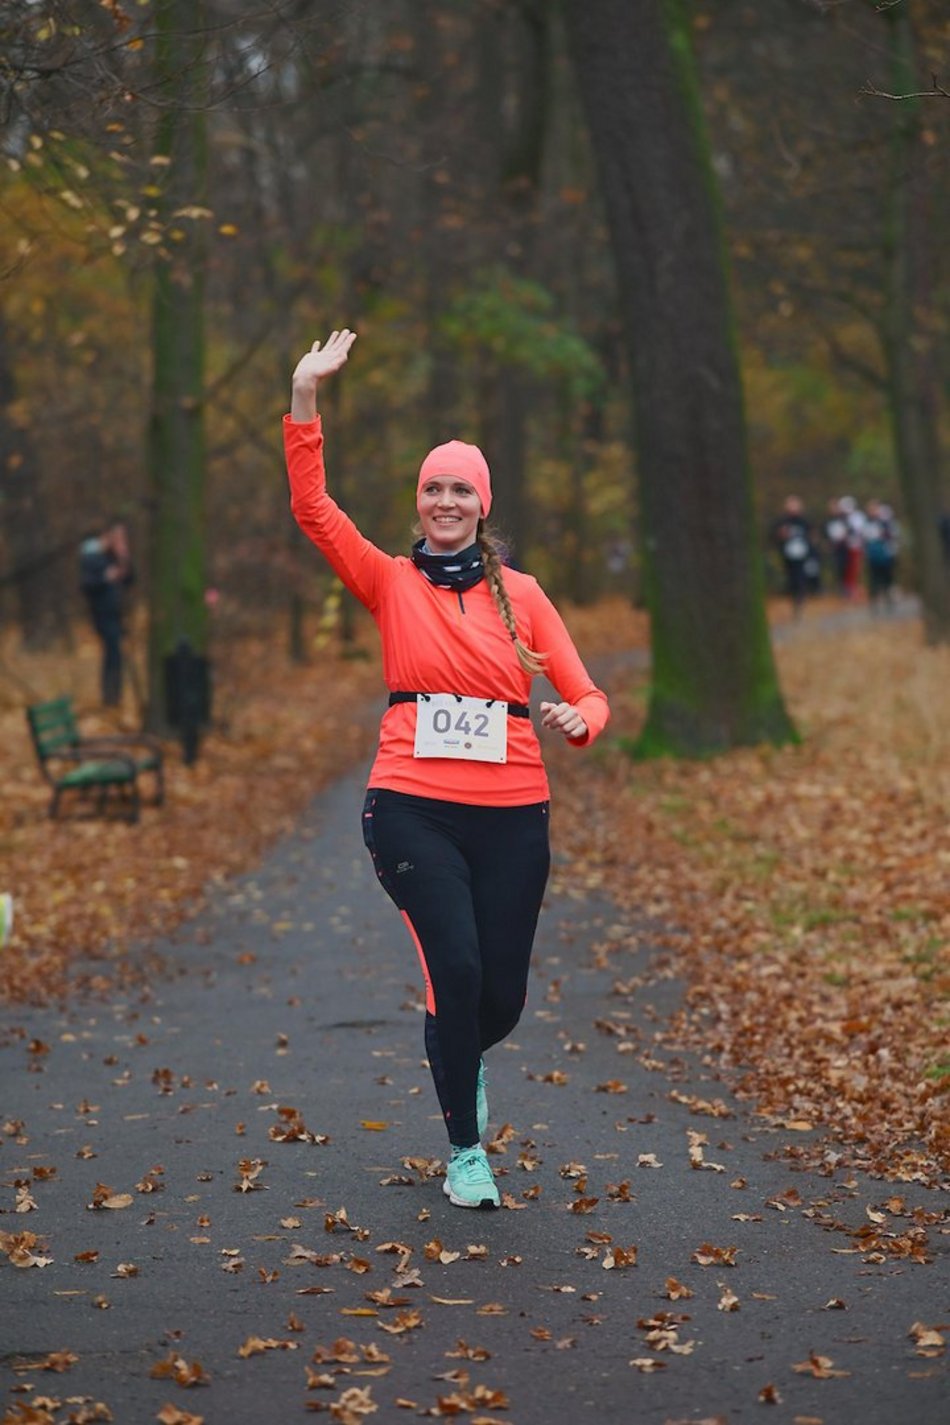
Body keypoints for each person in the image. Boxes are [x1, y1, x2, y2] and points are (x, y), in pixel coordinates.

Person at [284, 330, 610, 1211]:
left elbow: (591, 694)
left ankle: (460, 1059)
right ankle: (466, 1150)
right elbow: (315, 509)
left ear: (482, 502)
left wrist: (580, 719)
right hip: (410, 808)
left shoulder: (526, 595)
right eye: (432, 488)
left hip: (513, 813)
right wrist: (305, 398)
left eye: (460, 488)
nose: (445, 500)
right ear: (419, 502)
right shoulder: (390, 581)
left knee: (498, 995)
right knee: (456, 968)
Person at [79, 516, 134, 707]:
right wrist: (106, 578)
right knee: (111, 654)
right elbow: (87, 585)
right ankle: (109, 697)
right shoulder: (92, 557)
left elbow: (130, 580)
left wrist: (124, 558)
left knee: (116, 655)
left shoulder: (114, 557)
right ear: (108, 536)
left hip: (117, 614)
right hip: (103, 614)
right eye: (117, 537)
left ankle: (115, 696)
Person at [771, 495, 813, 618]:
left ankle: (800, 602)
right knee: (791, 579)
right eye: (790, 505)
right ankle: (794, 601)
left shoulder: (804, 521)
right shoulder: (782, 521)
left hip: (802, 555)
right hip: (788, 555)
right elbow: (774, 537)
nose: (793, 507)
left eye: (795, 505)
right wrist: (781, 536)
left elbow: (811, 537)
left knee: (800, 578)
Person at [862, 499, 899, 612]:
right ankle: (874, 603)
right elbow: (864, 539)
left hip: (885, 555)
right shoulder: (866, 523)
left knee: (887, 579)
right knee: (874, 580)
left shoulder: (885, 522)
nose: (872, 511)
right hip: (872, 556)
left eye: (874, 509)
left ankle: (889, 601)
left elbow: (892, 536)